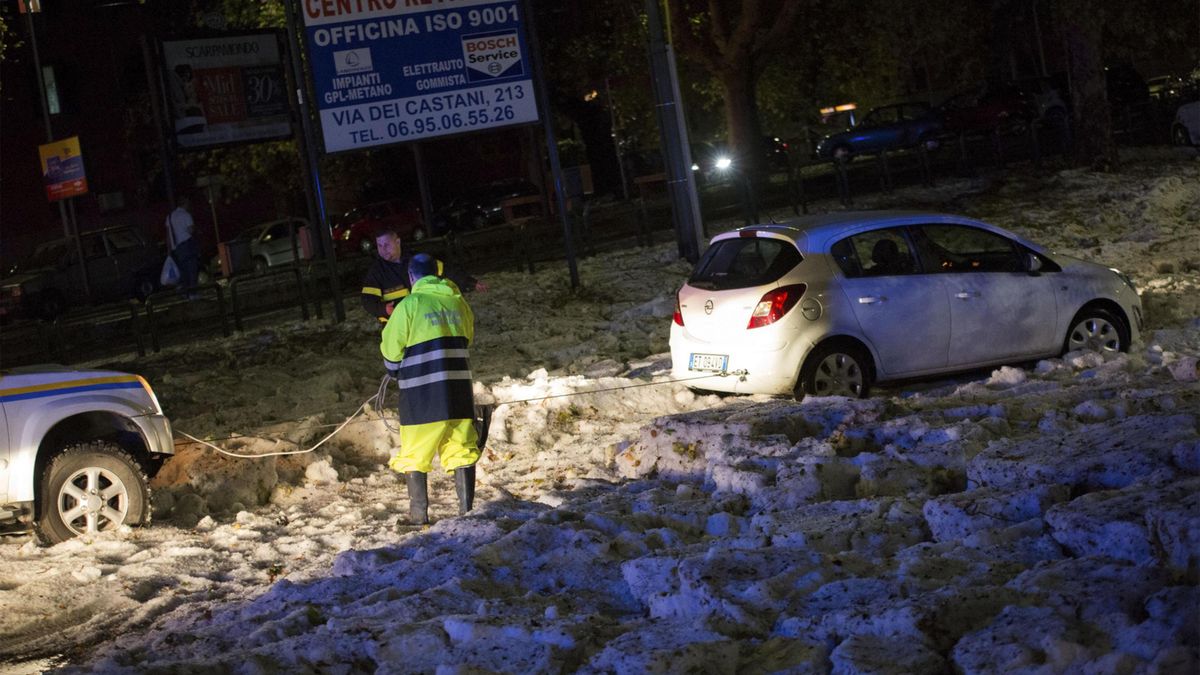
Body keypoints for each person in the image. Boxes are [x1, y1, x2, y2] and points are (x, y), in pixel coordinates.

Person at [381, 253, 480, 525]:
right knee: (462, 446)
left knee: (415, 452)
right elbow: (468, 336)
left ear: (412, 277)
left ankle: (419, 516)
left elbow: (391, 347)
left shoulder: (409, 305)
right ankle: (467, 511)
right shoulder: (458, 302)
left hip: (421, 393)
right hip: (458, 388)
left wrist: (393, 369)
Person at [360, 225, 485, 325]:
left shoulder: (417, 260)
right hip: (396, 324)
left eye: (386, 244)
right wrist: (383, 309)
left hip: (424, 320)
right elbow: (367, 300)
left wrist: (470, 283)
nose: (383, 249)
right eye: (379, 246)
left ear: (398, 241)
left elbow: (447, 271)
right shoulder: (376, 272)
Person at [166, 196, 200, 299]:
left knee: (183, 271)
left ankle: (184, 293)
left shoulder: (170, 217)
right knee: (192, 269)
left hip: (176, 248)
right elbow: (191, 230)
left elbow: (168, 234)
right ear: (185, 204)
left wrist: (169, 249)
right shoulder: (186, 215)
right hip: (187, 245)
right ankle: (193, 294)